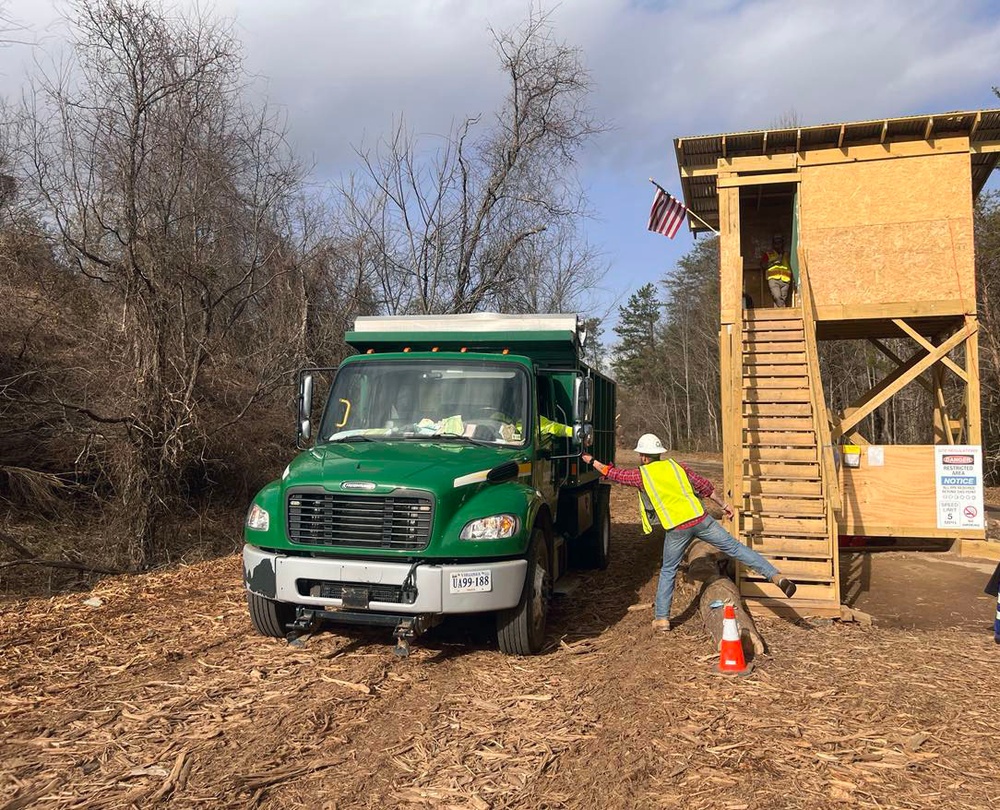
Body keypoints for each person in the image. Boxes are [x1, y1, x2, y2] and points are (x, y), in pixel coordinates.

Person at [582, 433, 797, 633]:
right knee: (735, 548)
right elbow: (705, 486)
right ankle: (775, 576)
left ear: (644, 457)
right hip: (701, 518)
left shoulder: (641, 475)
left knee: (668, 569)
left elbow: (613, 474)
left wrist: (591, 460)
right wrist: (724, 505)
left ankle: (662, 618)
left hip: (678, 527)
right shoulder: (677, 466)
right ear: (659, 453)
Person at [761, 233, 792, 307]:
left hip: (786, 280)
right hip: (773, 280)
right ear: (773, 244)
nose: (778, 245)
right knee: (777, 296)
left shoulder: (787, 254)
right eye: (776, 243)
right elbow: (763, 265)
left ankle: (780, 314)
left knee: (781, 299)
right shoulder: (768, 254)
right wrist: (773, 263)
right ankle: (783, 310)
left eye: (780, 242)